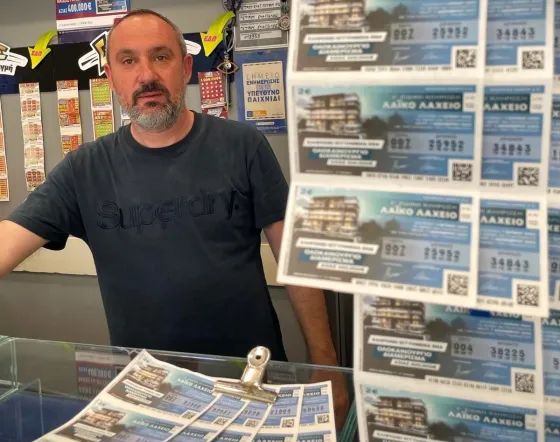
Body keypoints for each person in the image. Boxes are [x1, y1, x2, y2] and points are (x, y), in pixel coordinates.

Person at [0, 8, 349, 426]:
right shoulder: (85, 169)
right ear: (111, 77)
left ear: (185, 68)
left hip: (248, 382)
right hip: (147, 392)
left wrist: (326, 363)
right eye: (128, 61)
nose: (146, 75)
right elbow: (8, 241)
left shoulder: (243, 146)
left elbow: (295, 261)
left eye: (160, 57)